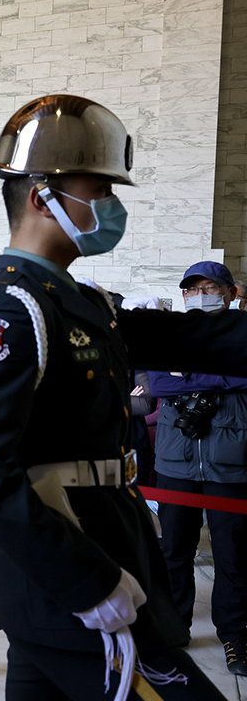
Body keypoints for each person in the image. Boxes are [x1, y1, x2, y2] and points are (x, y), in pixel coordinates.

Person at [0, 93, 233, 699]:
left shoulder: (78, 300)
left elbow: (201, 336)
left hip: (97, 556)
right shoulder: (9, 311)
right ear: (44, 197)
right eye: (100, 191)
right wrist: (85, 581)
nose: (112, 207)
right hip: (75, 579)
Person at [148, 261, 247, 676]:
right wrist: (220, 376)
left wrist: (193, 377)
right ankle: (174, 628)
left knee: (234, 556)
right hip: (176, 463)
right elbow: (158, 384)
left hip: (232, 464)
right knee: (174, 551)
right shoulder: (171, 333)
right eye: (193, 288)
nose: (201, 294)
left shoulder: (241, 331)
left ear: (228, 292)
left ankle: (237, 636)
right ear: (184, 294)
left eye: (210, 286)